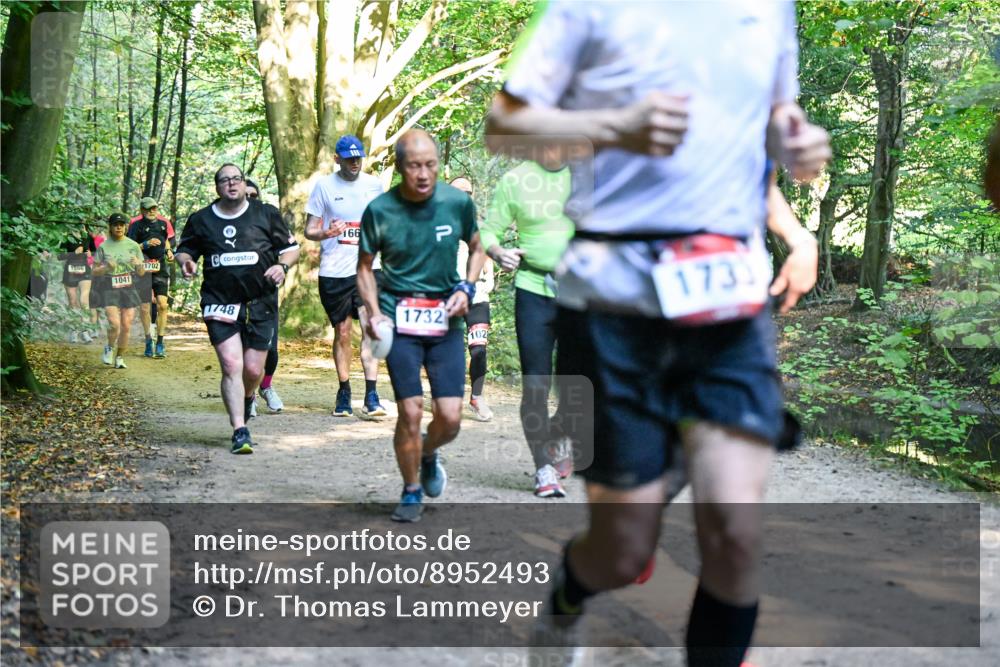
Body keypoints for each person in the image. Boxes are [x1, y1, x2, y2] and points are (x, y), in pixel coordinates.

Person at [486, 2, 830, 665]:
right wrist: (617, 125)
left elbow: (770, 121)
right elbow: (505, 126)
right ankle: (567, 596)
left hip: (728, 299)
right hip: (612, 301)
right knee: (622, 550)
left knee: (735, 533)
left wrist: (795, 143)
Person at [358, 129, 486, 523]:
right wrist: (375, 313)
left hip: (444, 319)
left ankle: (428, 452)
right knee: (410, 412)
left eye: (431, 164)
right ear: (399, 167)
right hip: (400, 319)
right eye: (415, 166)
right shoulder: (380, 210)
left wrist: (467, 286)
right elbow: (364, 269)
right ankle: (411, 489)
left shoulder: (456, 203)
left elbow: (479, 248)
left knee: (449, 417)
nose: (424, 174)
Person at [174, 163, 300, 454]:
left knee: (254, 369)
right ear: (217, 187)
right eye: (224, 180)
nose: (231, 184)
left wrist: (282, 267)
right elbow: (184, 250)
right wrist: (186, 262)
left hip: (260, 303)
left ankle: (246, 397)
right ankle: (239, 430)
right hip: (219, 301)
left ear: (244, 184)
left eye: (236, 179)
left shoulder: (265, 214)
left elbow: (292, 249)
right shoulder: (202, 219)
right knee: (232, 365)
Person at [478, 150, 576, 497]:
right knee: (535, 383)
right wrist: (497, 251)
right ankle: (543, 469)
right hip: (533, 288)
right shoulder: (516, 180)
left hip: (580, 293)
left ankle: (559, 435)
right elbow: (488, 231)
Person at [304, 135, 387, 418]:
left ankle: (372, 394)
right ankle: (344, 390)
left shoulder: (375, 186)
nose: (354, 162)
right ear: (337, 159)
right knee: (342, 333)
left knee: (370, 328)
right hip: (334, 272)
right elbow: (309, 230)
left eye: (358, 157)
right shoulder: (324, 186)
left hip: (368, 269)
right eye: (349, 158)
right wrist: (326, 232)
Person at [449, 176, 496, 422]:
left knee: (479, 349)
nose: (463, 196)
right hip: (449, 294)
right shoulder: (438, 221)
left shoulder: (479, 224)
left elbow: (484, 250)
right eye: (458, 191)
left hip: (477, 295)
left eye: (468, 192)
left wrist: (489, 275)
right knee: (449, 349)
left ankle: (477, 396)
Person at [244, 179, 283, 415]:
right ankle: (247, 396)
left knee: (271, 349)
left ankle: (266, 387)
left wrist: (281, 267)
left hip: (266, 294)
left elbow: (287, 250)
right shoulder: (225, 222)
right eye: (245, 194)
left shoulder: (270, 219)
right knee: (244, 349)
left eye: (254, 195)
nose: (249, 199)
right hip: (235, 295)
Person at [92, 213, 146, 368]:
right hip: (109, 285)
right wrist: (107, 267)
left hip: (128, 284)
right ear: (110, 227)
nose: (119, 227)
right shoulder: (103, 246)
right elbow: (94, 271)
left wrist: (138, 264)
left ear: (126, 227)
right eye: (116, 225)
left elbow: (142, 273)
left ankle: (120, 357)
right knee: (114, 324)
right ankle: (109, 347)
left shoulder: (133, 245)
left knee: (126, 325)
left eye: (122, 225)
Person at [129, 197, 175, 358]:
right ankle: (149, 340)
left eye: (154, 208)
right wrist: (145, 245)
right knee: (145, 307)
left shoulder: (163, 224)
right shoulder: (136, 226)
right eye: (148, 209)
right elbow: (129, 248)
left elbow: (167, 241)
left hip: (160, 269)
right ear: (142, 210)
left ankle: (160, 342)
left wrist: (169, 252)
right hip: (142, 270)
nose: (151, 211)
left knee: (163, 305)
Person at [57, 225, 97, 343]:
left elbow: (95, 252)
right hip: (70, 272)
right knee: (73, 302)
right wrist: (74, 253)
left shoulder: (88, 236)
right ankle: (74, 329)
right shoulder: (67, 237)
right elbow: (60, 256)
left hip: (84, 271)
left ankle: (84, 332)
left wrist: (91, 254)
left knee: (84, 300)